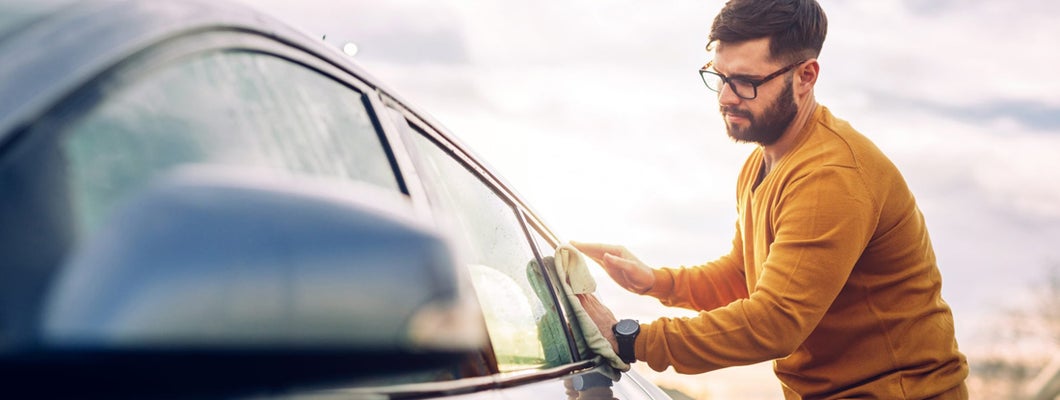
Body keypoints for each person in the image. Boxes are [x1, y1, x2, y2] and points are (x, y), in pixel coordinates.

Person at [571, 0, 969, 398]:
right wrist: (657, 281)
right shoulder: (761, 164)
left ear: (805, 76)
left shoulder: (831, 176)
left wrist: (629, 339)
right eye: (719, 76)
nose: (726, 97)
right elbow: (744, 277)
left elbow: (775, 322)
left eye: (746, 81)